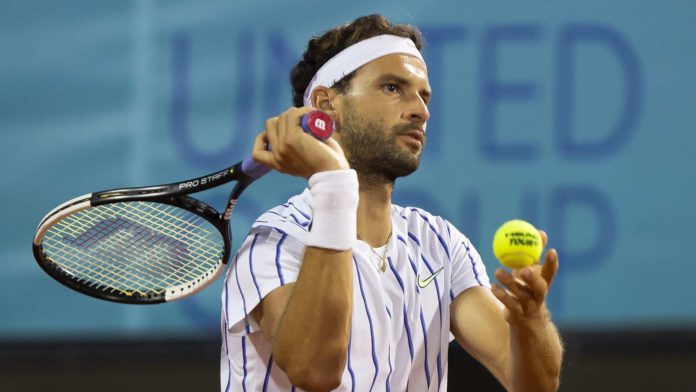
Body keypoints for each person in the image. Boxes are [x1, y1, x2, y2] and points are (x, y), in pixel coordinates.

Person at [220, 14, 563, 392]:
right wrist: (334, 184)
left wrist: (531, 323)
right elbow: (315, 370)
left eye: (423, 95)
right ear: (325, 104)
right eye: (391, 88)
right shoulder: (275, 241)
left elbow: (535, 384)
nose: (420, 110)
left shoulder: (440, 245)